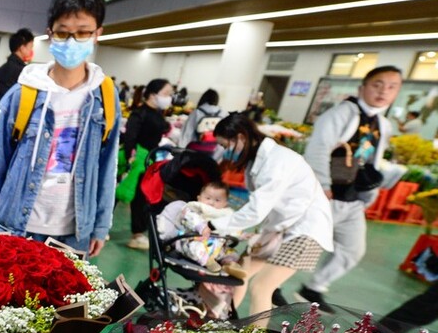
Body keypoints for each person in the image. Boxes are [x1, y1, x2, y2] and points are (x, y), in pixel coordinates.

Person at [0, 0, 119, 258]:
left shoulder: (105, 98)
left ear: (98, 34)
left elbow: (107, 166)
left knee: (62, 300)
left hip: (74, 235)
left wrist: (100, 226)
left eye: (83, 32)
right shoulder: (23, 94)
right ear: (50, 33)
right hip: (16, 226)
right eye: (63, 32)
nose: (72, 41)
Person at [298, 65, 401, 311]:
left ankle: (314, 288)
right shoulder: (342, 113)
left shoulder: (383, 124)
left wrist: (370, 193)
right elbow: (319, 148)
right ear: (362, 87)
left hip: (354, 200)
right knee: (300, 246)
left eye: (391, 87)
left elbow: (373, 160)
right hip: (327, 194)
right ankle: (270, 285)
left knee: (352, 250)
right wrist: (322, 184)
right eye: (377, 84)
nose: (383, 91)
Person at [212, 113, 333, 318]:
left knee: (261, 287)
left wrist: (215, 224)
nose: (226, 152)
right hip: (280, 227)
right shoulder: (257, 160)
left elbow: (257, 210)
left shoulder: (278, 161)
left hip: (304, 231)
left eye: (226, 146)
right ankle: (219, 321)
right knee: (239, 273)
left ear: (240, 138)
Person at [120, 78, 173, 250]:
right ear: (152, 94)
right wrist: (130, 156)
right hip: (136, 159)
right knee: (117, 193)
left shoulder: (158, 114)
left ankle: (137, 233)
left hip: (149, 160)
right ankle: (99, 227)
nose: (169, 98)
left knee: (140, 197)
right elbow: (130, 136)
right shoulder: (140, 113)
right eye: (166, 94)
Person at [157, 182, 245, 277]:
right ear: (199, 198)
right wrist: (202, 227)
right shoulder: (193, 210)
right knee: (194, 247)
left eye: (217, 200)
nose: (211, 202)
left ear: (225, 204)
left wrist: (240, 235)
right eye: (208, 198)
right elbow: (191, 219)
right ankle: (207, 261)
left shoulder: (223, 215)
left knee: (231, 252)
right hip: (193, 241)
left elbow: (231, 228)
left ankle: (229, 263)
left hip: (217, 247)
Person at [0, 27, 35, 117]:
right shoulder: (23, 72)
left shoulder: (1, 69)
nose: (31, 51)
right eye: (30, 47)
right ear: (22, 48)